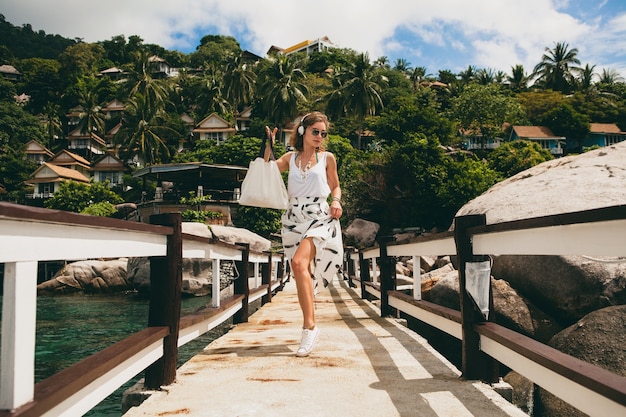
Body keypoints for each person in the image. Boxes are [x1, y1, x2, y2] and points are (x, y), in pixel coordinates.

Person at [266, 111, 343, 357]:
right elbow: (268, 169)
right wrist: (268, 144)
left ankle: (309, 328)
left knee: (299, 263)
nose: (320, 136)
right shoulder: (290, 158)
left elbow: (335, 185)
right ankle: (310, 323)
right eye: (315, 131)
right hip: (293, 218)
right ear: (303, 131)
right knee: (301, 271)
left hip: (319, 215)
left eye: (323, 133)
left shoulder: (327, 158)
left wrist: (337, 201)